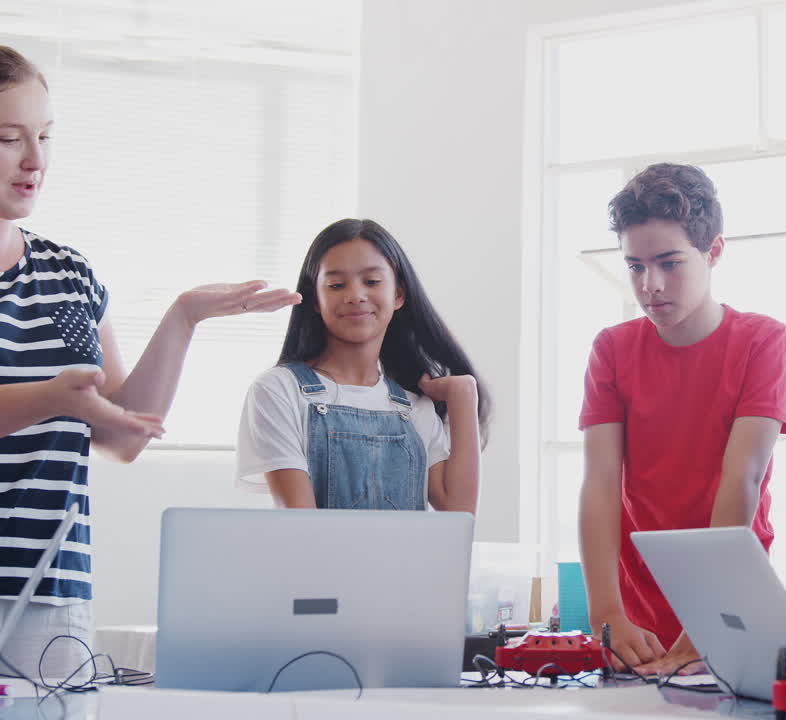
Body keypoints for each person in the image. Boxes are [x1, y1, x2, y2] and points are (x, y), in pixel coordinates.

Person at [0, 45, 299, 681]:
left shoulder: (69, 272)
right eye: (9, 138)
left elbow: (120, 434)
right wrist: (53, 398)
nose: (36, 160)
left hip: (51, 593)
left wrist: (184, 316)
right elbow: (69, 401)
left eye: (46, 136)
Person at [577, 163, 786, 674]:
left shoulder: (761, 340)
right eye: (635, 266)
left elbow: (741, 476)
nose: (650, 284)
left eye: (669, 263)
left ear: (713, 251)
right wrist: (605, 612)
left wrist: (710, 616)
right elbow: (601, 482)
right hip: (636, 619)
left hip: (731, 601)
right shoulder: (612, 349)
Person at [237, 218, 488, 514]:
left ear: (398, 295)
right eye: (336, 284)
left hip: (404, 562)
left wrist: (464, 396)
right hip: (316, 561)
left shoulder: (413, 407)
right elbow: (300, 524)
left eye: (371, 282)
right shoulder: (279, 390)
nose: (355, 295)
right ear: (315, 300)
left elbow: (458, 517)